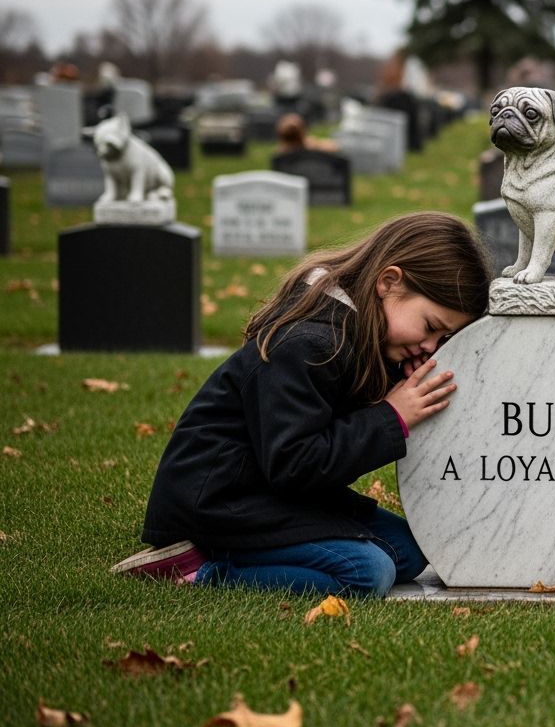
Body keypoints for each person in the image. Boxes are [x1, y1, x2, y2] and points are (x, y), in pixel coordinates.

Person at [112, 212, 491, 597]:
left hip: (278, 496)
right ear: (389, 282)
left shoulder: (354, 336)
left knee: (409, 551)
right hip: (222, 502)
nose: (431, 348)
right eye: (430, 327)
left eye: (444, 339)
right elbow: (295, 463)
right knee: (367, 572)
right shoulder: (307, 345)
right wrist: (391, 417)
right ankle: (203, 568)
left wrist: (395, 384)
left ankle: (242, 554)